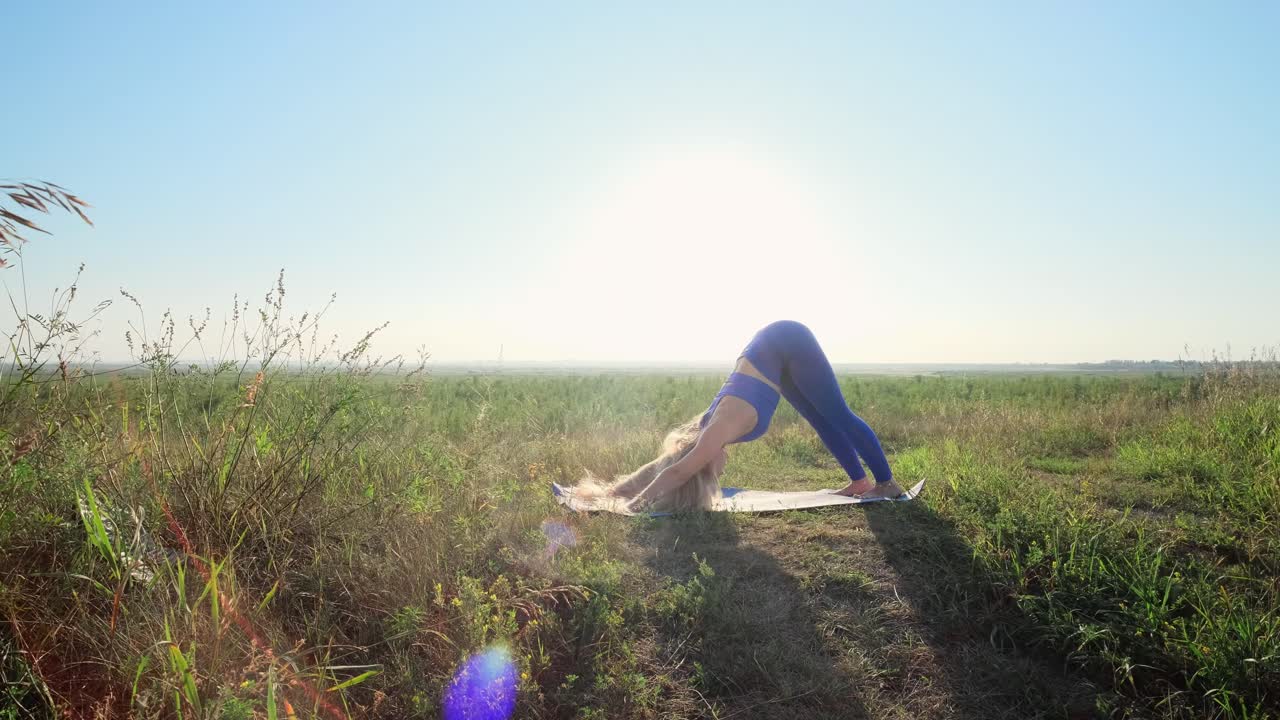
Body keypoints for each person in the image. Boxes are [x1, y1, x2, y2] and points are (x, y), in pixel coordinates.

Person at [577, 320, 903, 513]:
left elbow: (678, 473)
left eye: (713, 475)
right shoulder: (703, 433)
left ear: (703, 463)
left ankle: (886, 483)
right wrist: (616, 491)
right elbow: (664, 465)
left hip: (787, 340)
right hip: (771, 358)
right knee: (820, 421)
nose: (721, 472)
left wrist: (635, 507)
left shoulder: (715, 433)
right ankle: (860, 482)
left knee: (838, 414)